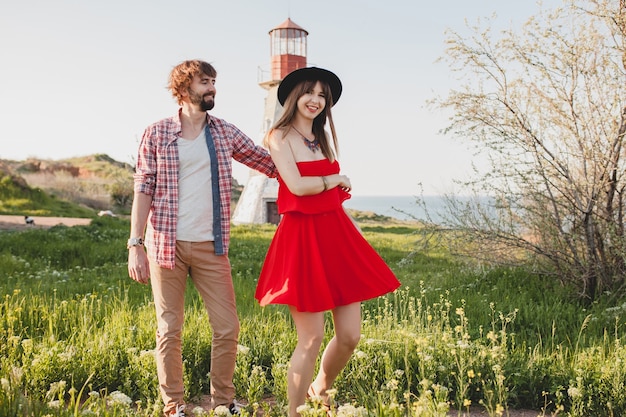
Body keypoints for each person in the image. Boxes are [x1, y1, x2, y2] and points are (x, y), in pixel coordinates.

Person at [127, 59, 276, 417]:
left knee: (227, 327)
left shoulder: (224, 131)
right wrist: (135, 244)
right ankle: (173, 405)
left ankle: (224, 402)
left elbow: (265, 161)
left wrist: (312, 167)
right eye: (204, 82)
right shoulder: (158, 133)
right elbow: (143, 187)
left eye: (213, 81)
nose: (212, 88)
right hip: (165, 244)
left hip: (212, 246)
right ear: (183, 88)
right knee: (169, 329)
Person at [254, 67, 401, 416]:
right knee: (311, 337)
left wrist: (353, 224)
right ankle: (295, 411)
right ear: (294, 96)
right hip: (302, 239)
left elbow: (330, 196)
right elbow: (299, 186)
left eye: (323, 95)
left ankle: (321, 386)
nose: (316, 100)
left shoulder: (322, 139)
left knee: (350, 336)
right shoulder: (279, 136)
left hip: (337, 236)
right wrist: (335, 179)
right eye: (310, 92)